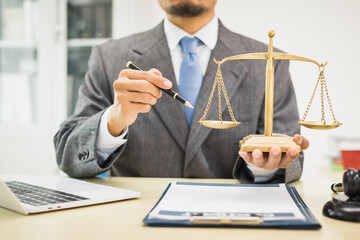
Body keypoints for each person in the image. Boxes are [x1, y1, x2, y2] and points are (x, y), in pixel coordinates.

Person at [54, 0, 309, 183]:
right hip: (133, 223)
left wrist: (264, 168)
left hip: (231, 218)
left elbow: (292, 158)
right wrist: (113, 120)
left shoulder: (269, 62)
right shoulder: (109, 57)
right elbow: (69, 158)